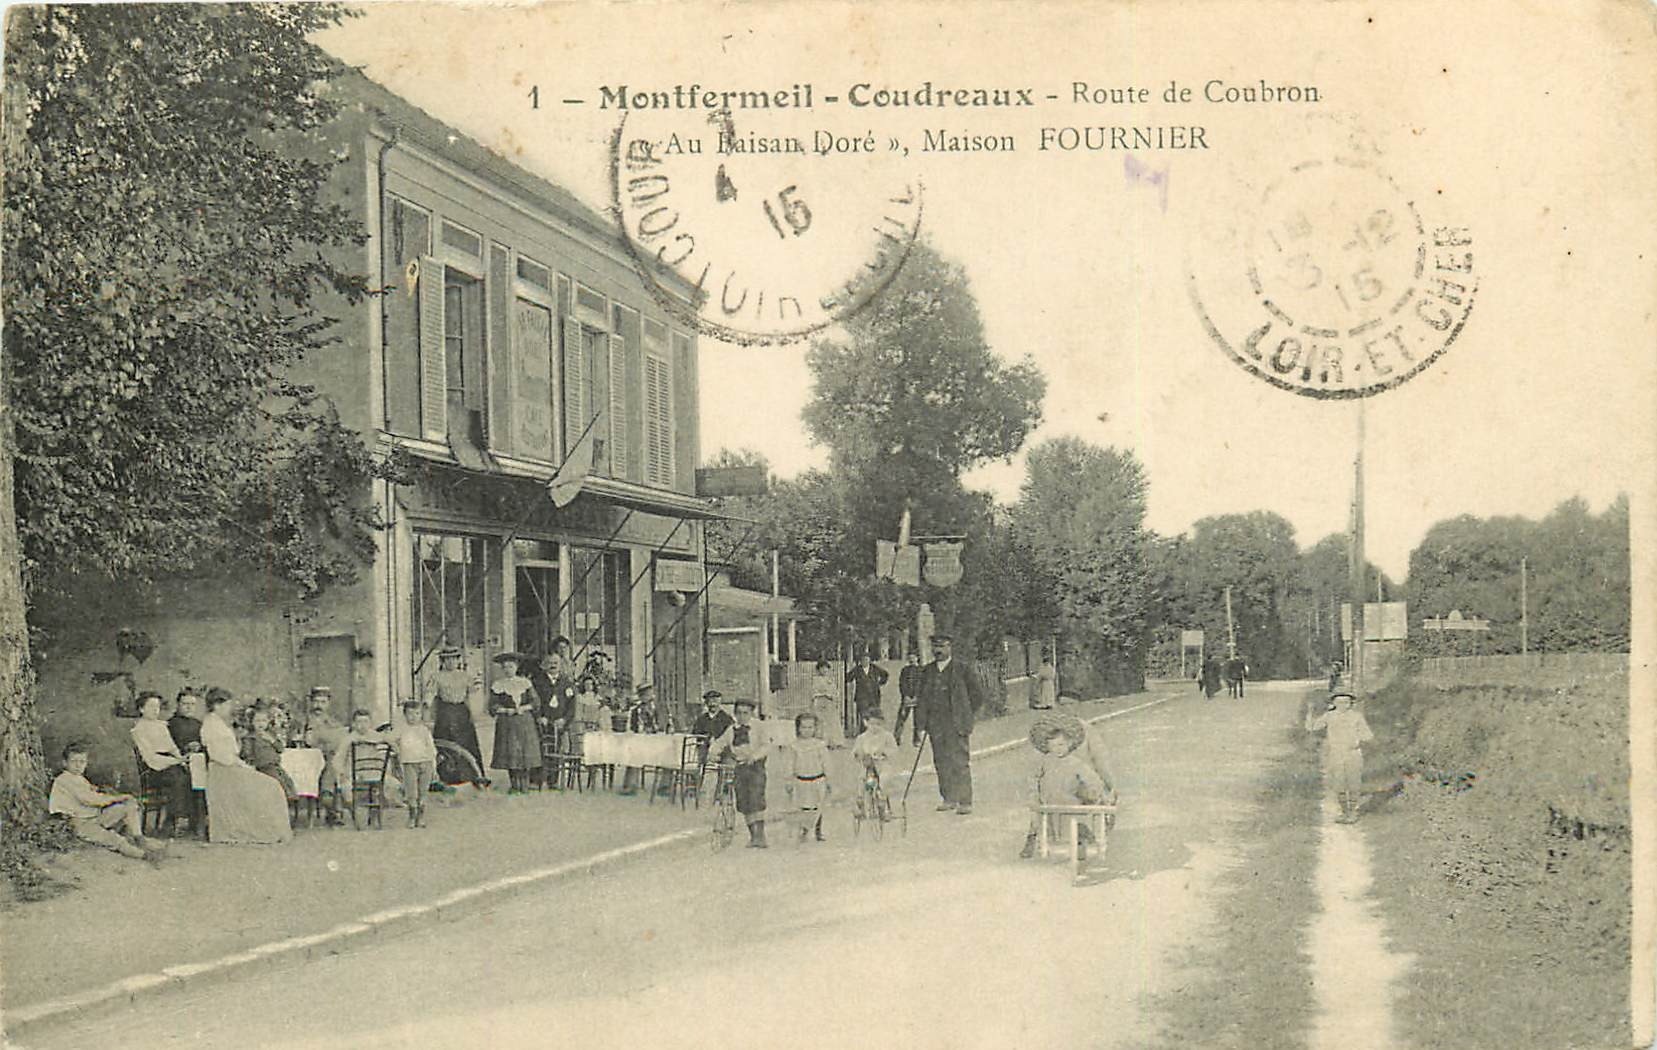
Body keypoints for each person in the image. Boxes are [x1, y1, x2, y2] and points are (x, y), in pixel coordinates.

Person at [200, 690, 292, 844]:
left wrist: (240, 764)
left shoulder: (218, 722)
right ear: (217, 705)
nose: (230, 707)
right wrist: (241, 765)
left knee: (272, 785)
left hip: (230, 767)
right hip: (223, 772)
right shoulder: (211, 724)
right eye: (228, 704)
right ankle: (262, 830)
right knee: (269, 786)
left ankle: (269, 829)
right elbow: (219, 755)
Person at [50, 743, 167, 862]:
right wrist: (117, 797)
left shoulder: (79, 779)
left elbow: (91, 794)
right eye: (73, 761)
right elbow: (91, 800)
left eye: (82, 762)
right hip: (80, 823)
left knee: (129, 806)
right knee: (113, 839)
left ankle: (139, 838)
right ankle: (143, 855)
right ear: (64, 763)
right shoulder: (64, 779)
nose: (78, 765)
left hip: (95, 816)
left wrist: (96, 791)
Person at [1019, 713, 1110, 861]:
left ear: (1069, 744)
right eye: (1053, 746)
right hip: (1048, 802)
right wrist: (1033, 794)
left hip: (1069, 800)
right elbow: (1034, 777)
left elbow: (1091, 778)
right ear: (1048, 747)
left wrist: (1097, 789)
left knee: (1074, 819)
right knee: (1043, 821)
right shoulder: (1045, 761)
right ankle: (1038, 839)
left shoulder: (1075, 762)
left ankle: (1082, 837)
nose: (1058, 749)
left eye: (1061, 745)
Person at [918, 634, 980, 815]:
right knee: (941, 761)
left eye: (942, 646)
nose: (938, 651)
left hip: (956, 724)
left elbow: (977, 695)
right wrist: (921, 726)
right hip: (936, 725)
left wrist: (965, 713)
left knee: (959, 761)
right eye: (935, 647)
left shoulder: (962, 669)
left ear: (950, 647)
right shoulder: (927, 671)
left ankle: (965, 801)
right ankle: (948, 798)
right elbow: (922, 700)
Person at [130, 691, 193, 838]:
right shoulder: (138, 729)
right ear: (141, 709)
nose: (155, 710)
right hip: (153, 770)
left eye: (157, 707)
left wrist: (182, 759)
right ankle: (173, 822)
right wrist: (176, 762)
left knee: (189, 774)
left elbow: (172, 747)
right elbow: (150, 758)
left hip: (170, 764)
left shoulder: (161, 726)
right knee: (178, 777)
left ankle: (186, 821)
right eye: (151, 706)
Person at [709, 698, 769, 848]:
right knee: (744, 802)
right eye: (739, 713)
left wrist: (754, 756)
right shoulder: (731, 730)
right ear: (735, 714)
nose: (742, 716)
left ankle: (760, 835)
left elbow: (766, 745)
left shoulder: (759, 727)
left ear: (751, 713)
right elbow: (719, 743)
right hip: (739, 767)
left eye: (745, 713)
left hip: (755, 767)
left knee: (756, 799)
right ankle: (753, 835)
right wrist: (713, 753)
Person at [1306, 691, 1374, 823]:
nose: (1342, 704)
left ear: (1351, 703)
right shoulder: (1329, 716)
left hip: (1353, 753)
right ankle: (1344, 812)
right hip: (1336, 754)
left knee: (1353, 783)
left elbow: (1368, 735)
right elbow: (1311, 727)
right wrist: (1310, 712)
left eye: (1346, 702)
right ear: (1333, 703)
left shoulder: (1357, 717)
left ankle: (1353, 813)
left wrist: (1356, 737)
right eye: (1339, 702)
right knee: (1339, 784)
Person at [424, 647, 484, 779]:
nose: (451, 662)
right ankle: (447, 777)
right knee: (445, 742)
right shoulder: (437, 676)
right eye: (447, 659)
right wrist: (426, 707)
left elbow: (474, 692)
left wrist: (474, 712)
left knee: (466, 742)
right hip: (445, 711)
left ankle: (471, 776)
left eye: (454, 659)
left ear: (458, 660)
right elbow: (430, 693)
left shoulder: (465, 675)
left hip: (462, 711)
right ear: (443, 661)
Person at [488, 652, 541, 794]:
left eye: (510, 666)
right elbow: (492, 706)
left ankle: (525, 784)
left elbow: (536, 702)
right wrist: (505, 710)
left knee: (525, 752)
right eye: (505, 667)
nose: (508, 670)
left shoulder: (525, 683)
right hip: (507, 722)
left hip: (524, 722)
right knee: (510, 752)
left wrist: (524, 708)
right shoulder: (498, 685)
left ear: (516, 667)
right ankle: (514, 785)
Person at [785, 712, 833, 842]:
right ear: (798, 728)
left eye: (810, 727)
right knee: (804, 806)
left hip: (818, 779)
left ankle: (818, 830)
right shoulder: (794, 746)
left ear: (815, 729)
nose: (807, 731)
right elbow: (790, 764)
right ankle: (804, 829)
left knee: (818, 806)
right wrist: (788, 780)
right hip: (801, 780)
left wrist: (829, 779)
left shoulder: (819, 745)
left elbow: (826, 763)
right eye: (804, 727)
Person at [396, 700, 437, 828]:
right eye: (410, 714)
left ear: (421, 715)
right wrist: (397, 749)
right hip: (409, 763)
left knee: (423, 791)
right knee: (411, 791)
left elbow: (431, 749)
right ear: (405, 715)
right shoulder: (401, 730)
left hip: (425, 762)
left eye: (417, 714)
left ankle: (421, 817)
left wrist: (434, 767)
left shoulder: (424, 730)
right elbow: (389, 738)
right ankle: (412, 817)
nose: (413, 717)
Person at [242, 705, 296, 800]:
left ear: (268, 722)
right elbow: (247, 753)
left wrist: (271, 740)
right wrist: (251, 762)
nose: (261, 724)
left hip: (275, 766)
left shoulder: (271, 735)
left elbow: (280, 749)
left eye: (264, 721)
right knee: (276, 783)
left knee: (286, 781)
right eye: (257, 721)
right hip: (262, 767)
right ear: (252, 723)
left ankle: (287, 800)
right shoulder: (250, 738)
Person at [620, 684, 666, 795]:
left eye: (648, 695)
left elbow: (663, 725)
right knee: (633, 753)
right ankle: (630, 785)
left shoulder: (659, 709)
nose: (645, 698)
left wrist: (654, 728)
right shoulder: (635, 711)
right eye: (643, 695)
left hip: (657, 742)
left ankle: (665, 786)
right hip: (641, 742)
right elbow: (632, 727)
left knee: (668, 754)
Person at [846, 651, 889, 735]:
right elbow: (848, 678)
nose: (864, 661)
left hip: (874, 695)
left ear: (869, 660)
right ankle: (863, 733)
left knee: (874, 714)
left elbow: (885, 675)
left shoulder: (875, 668)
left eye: (866, 659)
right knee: (863, 715)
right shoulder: (857, 669)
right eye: (863, 660)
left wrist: (880, 683)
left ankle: (874, 733)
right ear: (860, 661)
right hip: (862, 696)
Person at [691, 690, 734, 765]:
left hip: (722, 752)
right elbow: (695, 734)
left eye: (715, 702)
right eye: (710, 702)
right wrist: (705, 740)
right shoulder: (701, 719)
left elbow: (731, 736)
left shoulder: (726, 719)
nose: (712, 705)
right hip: (704, 751)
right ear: (706, 704)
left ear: (719, 703)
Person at [895, 651, 924, 746]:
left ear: (917, 658)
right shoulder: (905, 670)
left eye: (913, 657)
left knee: (918, 719)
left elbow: (922, 685)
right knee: (901, 717)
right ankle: (896, 738)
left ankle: (917, 740)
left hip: (918, 698)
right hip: (906, 698)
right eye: (910, 657)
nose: (911, 659)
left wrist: (917, 696)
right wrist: (905, 695)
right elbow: (902, 683)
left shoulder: (922, 670)